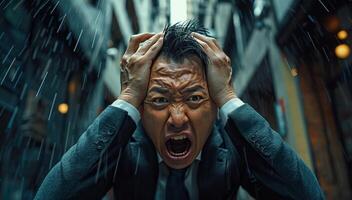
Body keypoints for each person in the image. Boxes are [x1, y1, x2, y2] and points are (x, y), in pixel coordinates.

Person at [35, 21, 324, 200]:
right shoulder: (122, 148)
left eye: (195, 98)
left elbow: (307, 195)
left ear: (214, 106)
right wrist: (127, 97)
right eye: (159, 100)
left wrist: (229, 96)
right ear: (141, 107)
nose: (176, 118)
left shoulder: (233, 149)